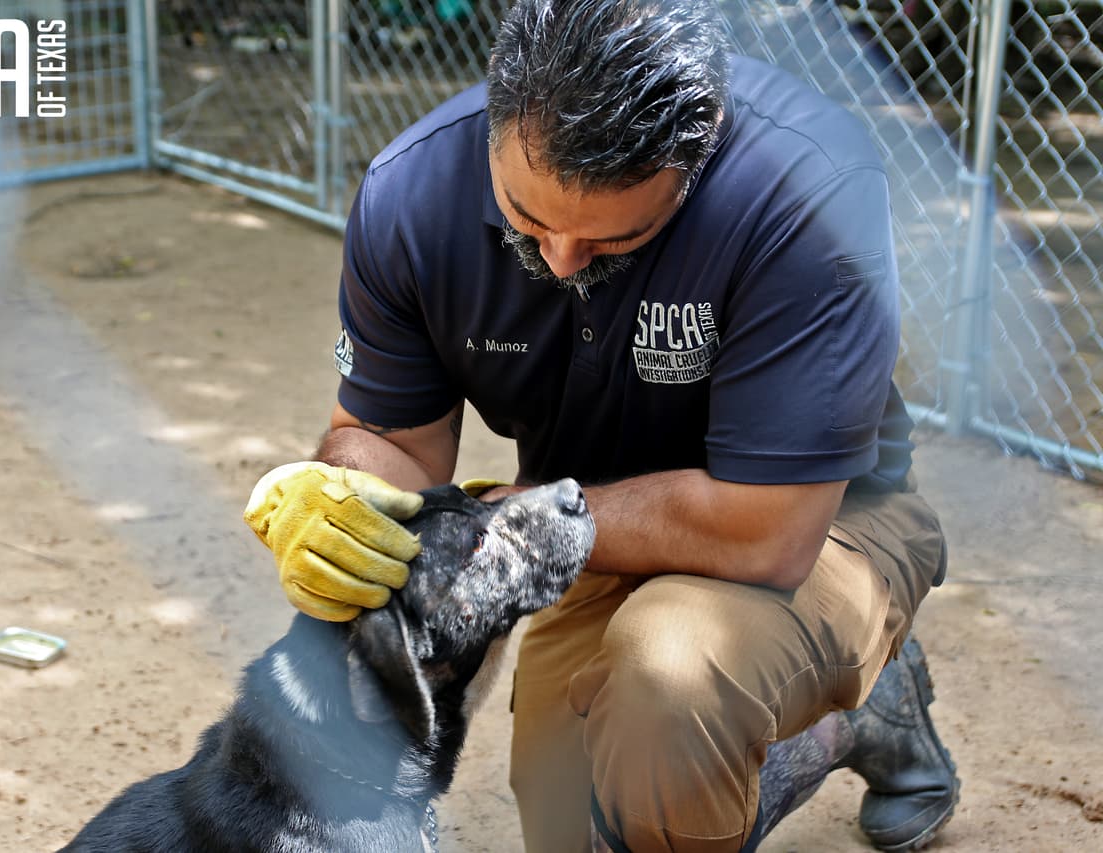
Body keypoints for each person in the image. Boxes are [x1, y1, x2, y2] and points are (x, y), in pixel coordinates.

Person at [244, 0, 960, 850]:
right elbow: (395, 441)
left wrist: (513, 522)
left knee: (667, 692)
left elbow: (767, 530)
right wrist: (338, 490)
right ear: (499, 112)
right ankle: (853, 719)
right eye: (527, 216)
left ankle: (843, 717)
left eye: (615, 238)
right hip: (595, 531)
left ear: (699, 150)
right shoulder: (412, 192)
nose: (559, 259)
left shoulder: (810, 189)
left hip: (819, 524)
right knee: (574, 828)